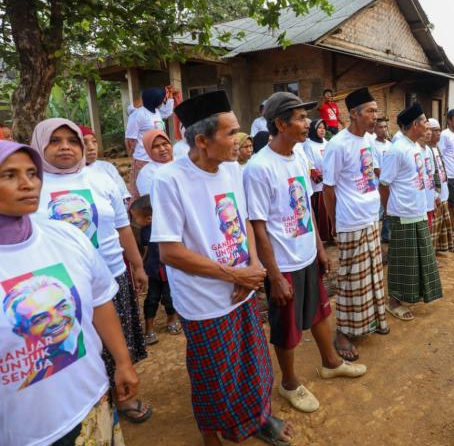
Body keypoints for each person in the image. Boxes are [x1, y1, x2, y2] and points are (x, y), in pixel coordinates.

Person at [149, 90, 292, 445]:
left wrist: (255, 266)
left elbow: (243, 221)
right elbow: (170, 252)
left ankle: (258, 418)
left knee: (253, 364)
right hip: (204, 300)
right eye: (231, 133)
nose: (239, 141)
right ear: (201, 140)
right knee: (214, 375)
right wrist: (234, 274)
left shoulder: (232, 170)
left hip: (242, 287)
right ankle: (212, 435)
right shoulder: (169, 180)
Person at [0, 141, 140, 446]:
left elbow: (101, 302)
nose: (28, 184)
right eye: (9, 175)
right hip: (24, 434)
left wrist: (123, 361)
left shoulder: (67, 237)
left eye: (32, 173)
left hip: (91, 404)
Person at [244, 92, 366, 414]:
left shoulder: (298, 156)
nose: (307, 123)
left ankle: (330, 361)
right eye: (298, 118)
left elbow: (306, 210)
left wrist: (319, 249)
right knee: (287, 329)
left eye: (304, 117)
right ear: (280, 123)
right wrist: (274, 275)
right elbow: (258, 227)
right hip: (283, 263)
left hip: (307, 254)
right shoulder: (258, 168)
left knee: (321, 312)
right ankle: (289, 384)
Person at [31, 118, 152, 424]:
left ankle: (125, 397)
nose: (65, 147)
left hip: (111, 275)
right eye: (55, 141)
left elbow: (122, 227)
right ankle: (90, 404)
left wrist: (137, 265)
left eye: (72, 141)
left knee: (117, 341)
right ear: (40, 145)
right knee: (76, 346)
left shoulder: (100, 178)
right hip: (61, 288)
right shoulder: (34, 183)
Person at [322, 87, 389, 362]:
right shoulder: (338, 144)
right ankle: (343, 333)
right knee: (350, 280)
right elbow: (328, 189)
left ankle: (369, 322)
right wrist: (335, 223)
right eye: (370, 111)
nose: (375, 116)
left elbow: (372, 174)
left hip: (371, 218)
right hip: (349, 221)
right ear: (353, 113)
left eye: (375, 110)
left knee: (372, 275)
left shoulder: (369, 141)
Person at [380, 104, 443, 321]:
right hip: (402, 213)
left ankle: (410, 295)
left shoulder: (415, 147)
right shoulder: (397, 150)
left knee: (417, 258)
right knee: (401, 260)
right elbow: (384, 184)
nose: (427, 126)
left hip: (417, 210)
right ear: (415, 125)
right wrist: (390, 211)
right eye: (425, 121)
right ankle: (393, 302)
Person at [130, 195, 180, 346]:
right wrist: (140, 266)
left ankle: (172, 319)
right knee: (152, 299)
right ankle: (149, 328)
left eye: (135, 218)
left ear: (149, 218)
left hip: (167, 270)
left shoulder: (167, 227)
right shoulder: (145, 232)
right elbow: (147, 250)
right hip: (153, 271)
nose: (133, 222)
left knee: (169, 298)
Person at [125, 87, 174, 199]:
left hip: (157, 157)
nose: (163, 101)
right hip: (143, 159)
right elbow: (130, 139)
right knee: (140, 192)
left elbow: (167, 113)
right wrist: (133, 157)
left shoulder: (156, 112)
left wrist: (170, 96)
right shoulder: (138, 115)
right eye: (162, 99)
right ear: (155, 100)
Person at [80, 125, 131, 207]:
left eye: (94, 141)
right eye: (84, 142)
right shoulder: (71, 175)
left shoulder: (107, 167)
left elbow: (124, 196)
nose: (92, 147)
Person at [428, 118, 454, 254]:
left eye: (439, 130)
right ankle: (432, 254)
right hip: (435, 193)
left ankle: (445, 246)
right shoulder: (427, 149)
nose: (438, 133)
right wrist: (435, 193)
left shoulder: (436, 148)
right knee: (434, 227)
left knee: (442, 224)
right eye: (435, 131)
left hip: (443, 189)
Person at [304, 119, 332, 243]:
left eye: (324, 128)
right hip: (318, 187)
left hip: (329, 183)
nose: (322, 130)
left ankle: (331, 236)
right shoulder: (308, 145)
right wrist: (321, 178)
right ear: (314, 130)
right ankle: (321, 239)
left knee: (331, 211)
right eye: (319, 128)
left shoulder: (327, 143)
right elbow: (309, 166)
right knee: (321, 214)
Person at [372, 117, 393, 243]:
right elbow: (376, 168)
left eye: (385, 127)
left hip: (389, 184)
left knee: (388, 211)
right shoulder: (373, 145)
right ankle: (375, 241)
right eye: (380, 127)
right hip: (378, 185)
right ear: (374, 128)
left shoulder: (390, 145)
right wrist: (387, 181)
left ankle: (386, 235)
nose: (384, 129)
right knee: (377, 214)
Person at [135, 129, 173, 196]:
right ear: (148, 149)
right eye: (156, 146)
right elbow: (149, 200)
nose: (162, 149)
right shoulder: (147, 173)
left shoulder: (182, 162)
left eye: (165, 144)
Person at [419, 127, 439, 232]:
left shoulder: (428, 150)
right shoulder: (414, 150)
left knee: (429, 229)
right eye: (425, 129)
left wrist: (434, 196)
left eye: (429, 130)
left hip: (429, 197)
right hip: (419, 202)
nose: (429, 133)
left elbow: (431, 174)